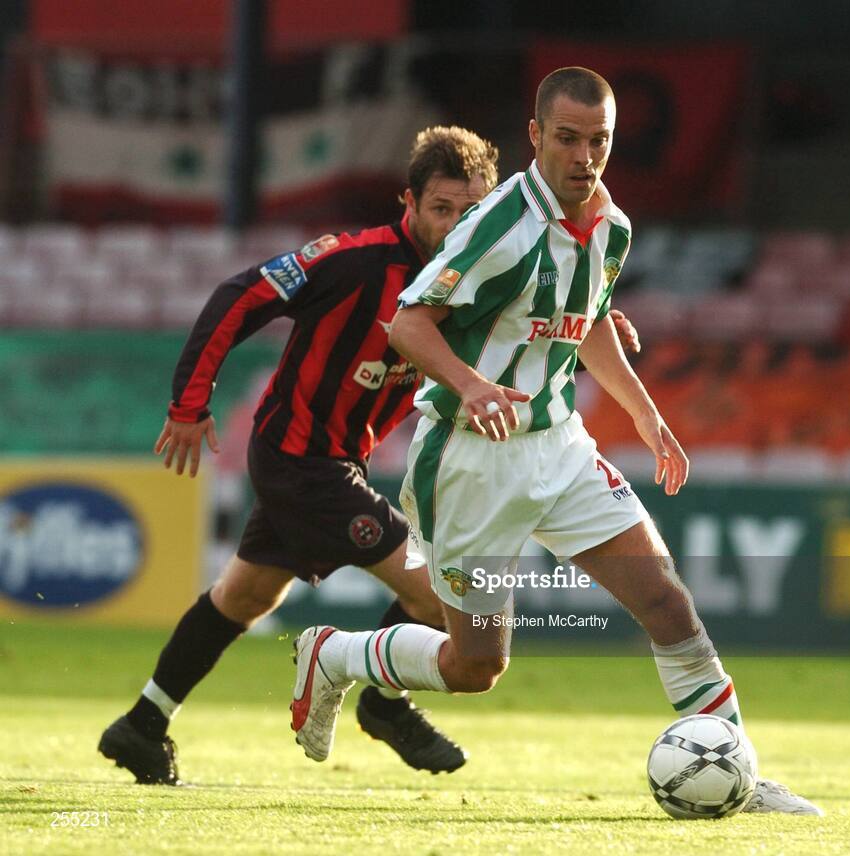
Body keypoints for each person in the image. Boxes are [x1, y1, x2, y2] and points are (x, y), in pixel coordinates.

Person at [289, 68, 823, 815]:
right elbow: (409, 322)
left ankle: (737, 773)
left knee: (667, 601)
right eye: (567, 138)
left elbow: (587, 319)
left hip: (559, 446)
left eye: (598, 140)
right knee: (477, 666)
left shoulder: (613, 225)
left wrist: (644, 413)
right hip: (472, 459)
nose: (584, 155)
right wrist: (471, 385)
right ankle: (335, 654)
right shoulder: (499, 225)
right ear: (536, 136)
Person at [98, 125, 641, 786]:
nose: (456, 225)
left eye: (471, 212)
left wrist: (596, 318)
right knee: (439, 594)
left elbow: (549, 316)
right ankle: (386, 704)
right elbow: (240, 295)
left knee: (243, 597)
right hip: (299, 459)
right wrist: (189, 404)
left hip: (336, 463)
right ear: (406, 203)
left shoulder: (486, 274)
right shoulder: (352, 261)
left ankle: (142, 725)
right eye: (441, 209)